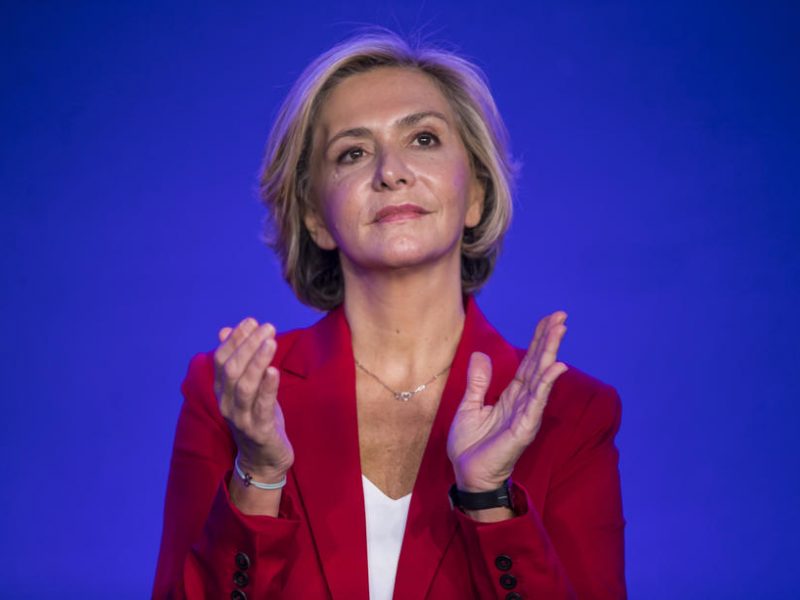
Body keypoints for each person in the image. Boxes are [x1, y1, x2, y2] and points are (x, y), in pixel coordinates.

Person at [153, 30, 626, 600]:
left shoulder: (572, 411)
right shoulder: (231, 397)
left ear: (476, 194)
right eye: (352, 153)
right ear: (316, 218)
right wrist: (259, 476)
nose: (391, 172)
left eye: (423, 139)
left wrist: (488, 500)